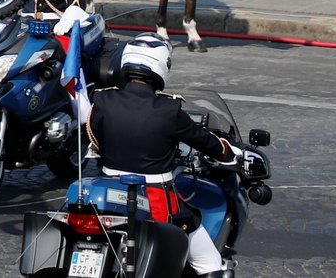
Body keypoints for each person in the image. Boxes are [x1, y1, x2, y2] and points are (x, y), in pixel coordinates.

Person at [88, 33, 239, 278]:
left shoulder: (103, 100)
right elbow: (205, 141)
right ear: (161, 65)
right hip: (156, 200)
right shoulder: (169, 110)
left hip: (105, 194)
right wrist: (226, 151)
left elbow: (95, 137)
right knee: (208, 261)